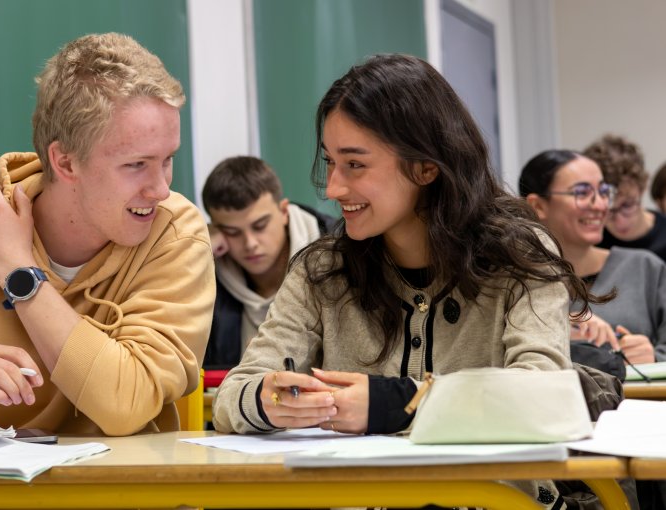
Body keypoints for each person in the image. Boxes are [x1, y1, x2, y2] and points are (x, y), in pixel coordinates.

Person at [212, 54, 597, 509]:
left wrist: (394, 403)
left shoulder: (519, 256)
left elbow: (545, 399)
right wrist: (268, 398)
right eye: (330, 162)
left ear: (425, 167)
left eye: (355, 165)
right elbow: (230, 399)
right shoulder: (321, 271)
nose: (333, 188)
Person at [0, 33, 216, 435]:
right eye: (137, 164)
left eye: (168, 160)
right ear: (66, 162)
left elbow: (126, 404)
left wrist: (17, 271)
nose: (160, 189)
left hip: (126, 493)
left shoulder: (175, 236)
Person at [519, 149, 666, 364]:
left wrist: (654, 357)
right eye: (582, 193)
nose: (600, 205)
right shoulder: (513, 280)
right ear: (538, 206)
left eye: (604, 192)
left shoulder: (646, 268)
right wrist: (557, 325)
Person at [201, 156, 335, 370]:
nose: (250, 243)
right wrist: (197, 252)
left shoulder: (341, 255)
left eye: (260, 226)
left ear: (284, 212)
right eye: (232, 232)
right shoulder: (207, 275)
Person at [584, 134, 666, 262]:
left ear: (642, 188)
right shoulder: (588, 243)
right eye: (608, 209)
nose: (620, 222)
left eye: (627, 205)